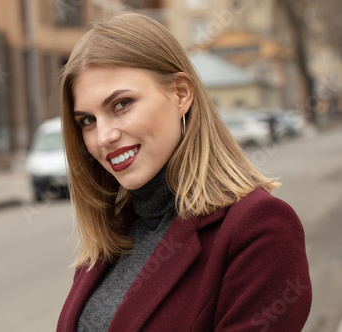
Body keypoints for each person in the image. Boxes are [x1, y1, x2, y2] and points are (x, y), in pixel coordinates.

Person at [57, 13, 311, 332]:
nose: (103, 136)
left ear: (181, 94)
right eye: (88, 121)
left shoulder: (260, 228)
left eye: (121, 104)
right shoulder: (113, 233)